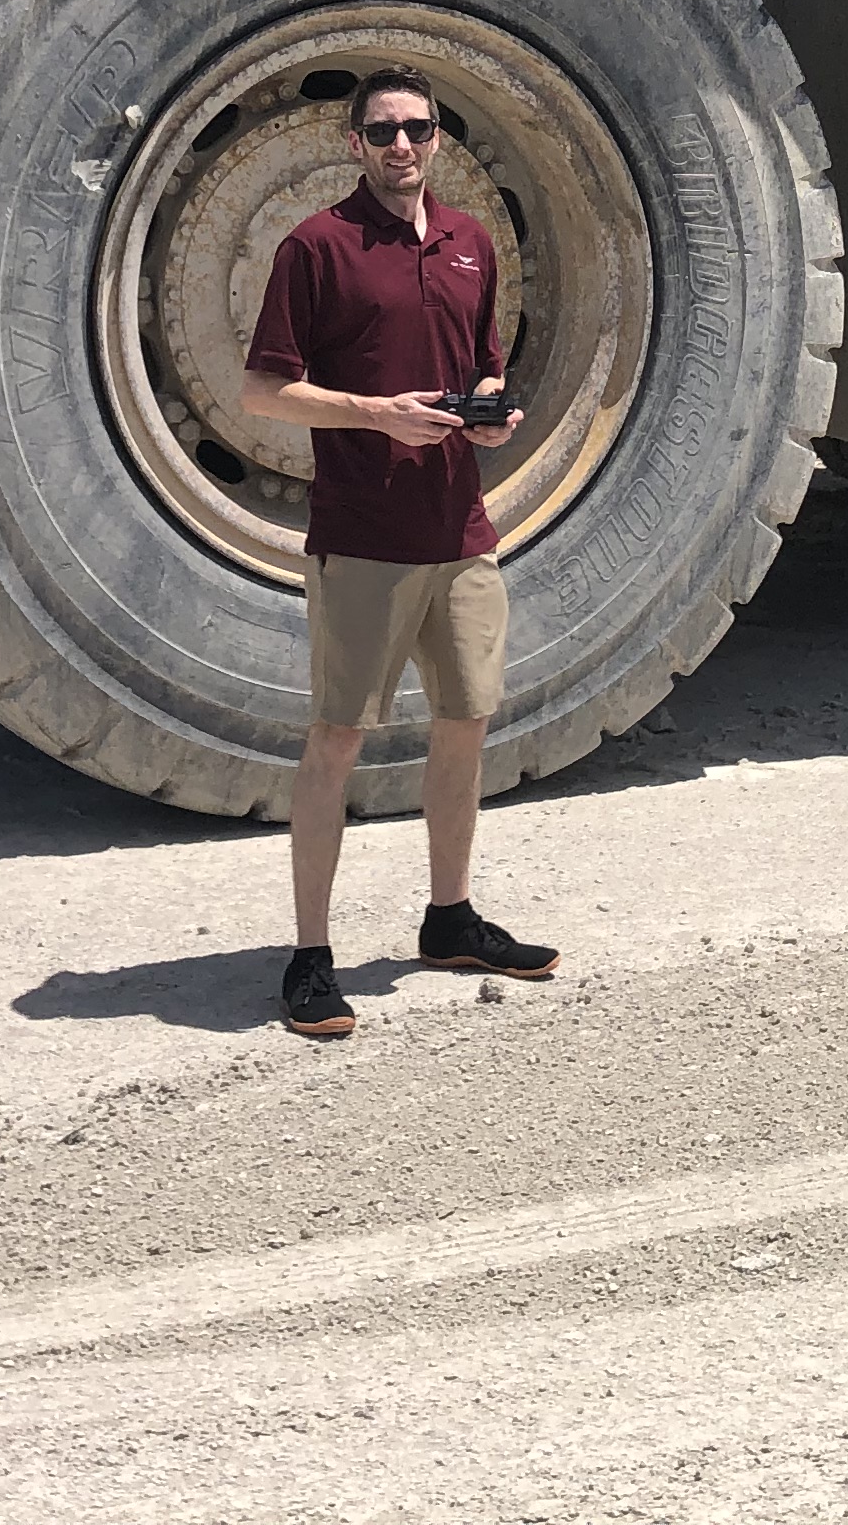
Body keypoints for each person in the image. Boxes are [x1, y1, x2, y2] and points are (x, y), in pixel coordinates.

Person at [238, 66, 560, 1040]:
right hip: (363, 535)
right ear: (355, 144)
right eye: (382, 132)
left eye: (417, 128)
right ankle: (310, 957)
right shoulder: (316, 247)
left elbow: (484, 366)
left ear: (437, 137)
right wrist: (376, 413)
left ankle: (449, 919)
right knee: (337, 739)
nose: (402, 145)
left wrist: (491, 411)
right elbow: (263, 391)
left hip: (461, 530)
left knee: (467, 719)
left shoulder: (470, 242)